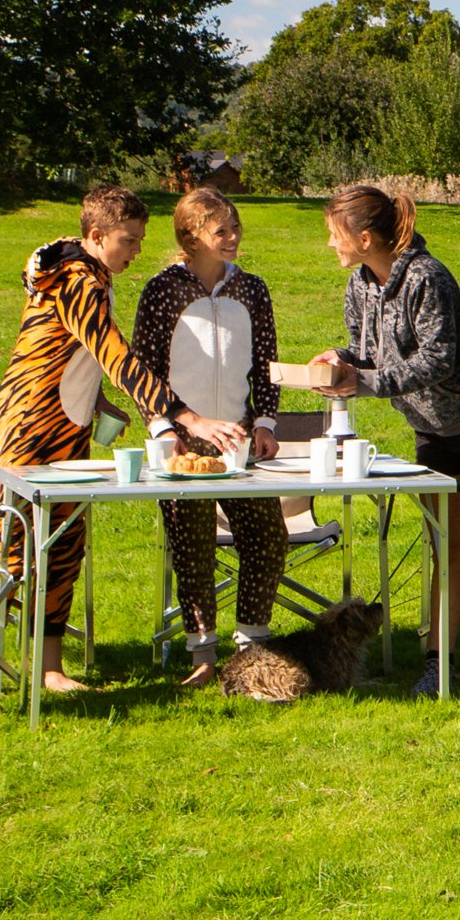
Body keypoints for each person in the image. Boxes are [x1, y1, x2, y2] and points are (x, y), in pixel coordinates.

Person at [0, 185, 249, 696]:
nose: (137, 250)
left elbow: (72, 352)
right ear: (95, 235)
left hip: (70, 421)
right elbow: (117, 357)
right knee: (9, 538)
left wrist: (93, 402)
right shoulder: (77, 282)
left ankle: (49, 669)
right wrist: (189, 417)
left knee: (65, 542)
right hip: (31, 422)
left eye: (139, 239)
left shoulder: (94, 275)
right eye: (128, 240)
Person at [309, 185, 460, 698]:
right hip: (432, 432)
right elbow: (368, 354)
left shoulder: (427, 277)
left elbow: (439, 360)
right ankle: (438, 666)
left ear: (364, 238)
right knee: (447, 552)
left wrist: (362, 382)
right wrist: (340, 360)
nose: (329, 244)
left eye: (333, 234)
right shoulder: (358, 285)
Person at [133, 188, 288, 692]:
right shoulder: (162, 289)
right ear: (190, 235)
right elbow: (142, 368)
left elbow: (267, 363)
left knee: (267, 535)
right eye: (222, 230)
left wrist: (265, 422)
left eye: (236, 227)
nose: (234, 237)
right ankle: (202, 656)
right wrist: (162, 428)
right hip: (182, 442)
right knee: (192, 546)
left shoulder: (253, 289)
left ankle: (253, 649)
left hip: (238, 441)